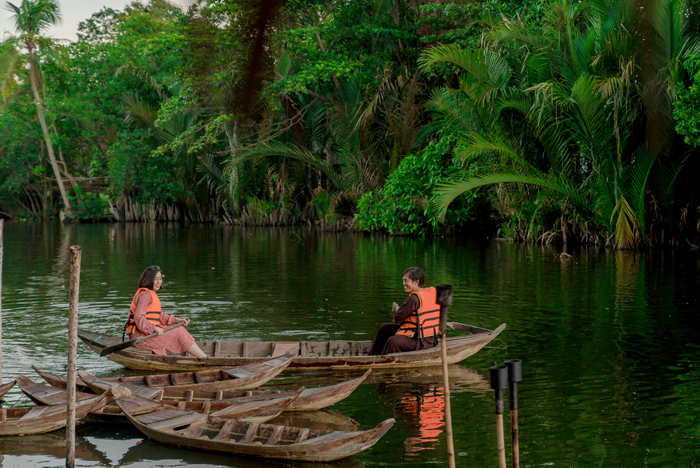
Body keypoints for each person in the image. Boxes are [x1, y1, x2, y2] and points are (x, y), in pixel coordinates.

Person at [124, 266, 207, 358]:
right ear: (148, 279)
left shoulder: (151, 294)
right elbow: (138, 317)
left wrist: (177, 320)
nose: (159, 282)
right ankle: (204, 359)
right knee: (179, 333)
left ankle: (203, 357)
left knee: (180, 329)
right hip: (141, 336)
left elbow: (161, 316)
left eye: (160, 279)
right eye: (155, 279)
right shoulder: (145, 295)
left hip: (150, 333)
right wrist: (154, 329)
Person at [368, 267, 441, 355]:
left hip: (421, 342)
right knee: (384, 328)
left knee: (393, 341)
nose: (403, 284)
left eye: (406, 281)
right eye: (403, 281)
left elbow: (398, 318)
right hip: (430, 338)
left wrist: (396, 310)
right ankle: (372, 356)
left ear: (416, 282)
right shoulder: (431, 293)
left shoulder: (414, 298)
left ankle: (381, 361)